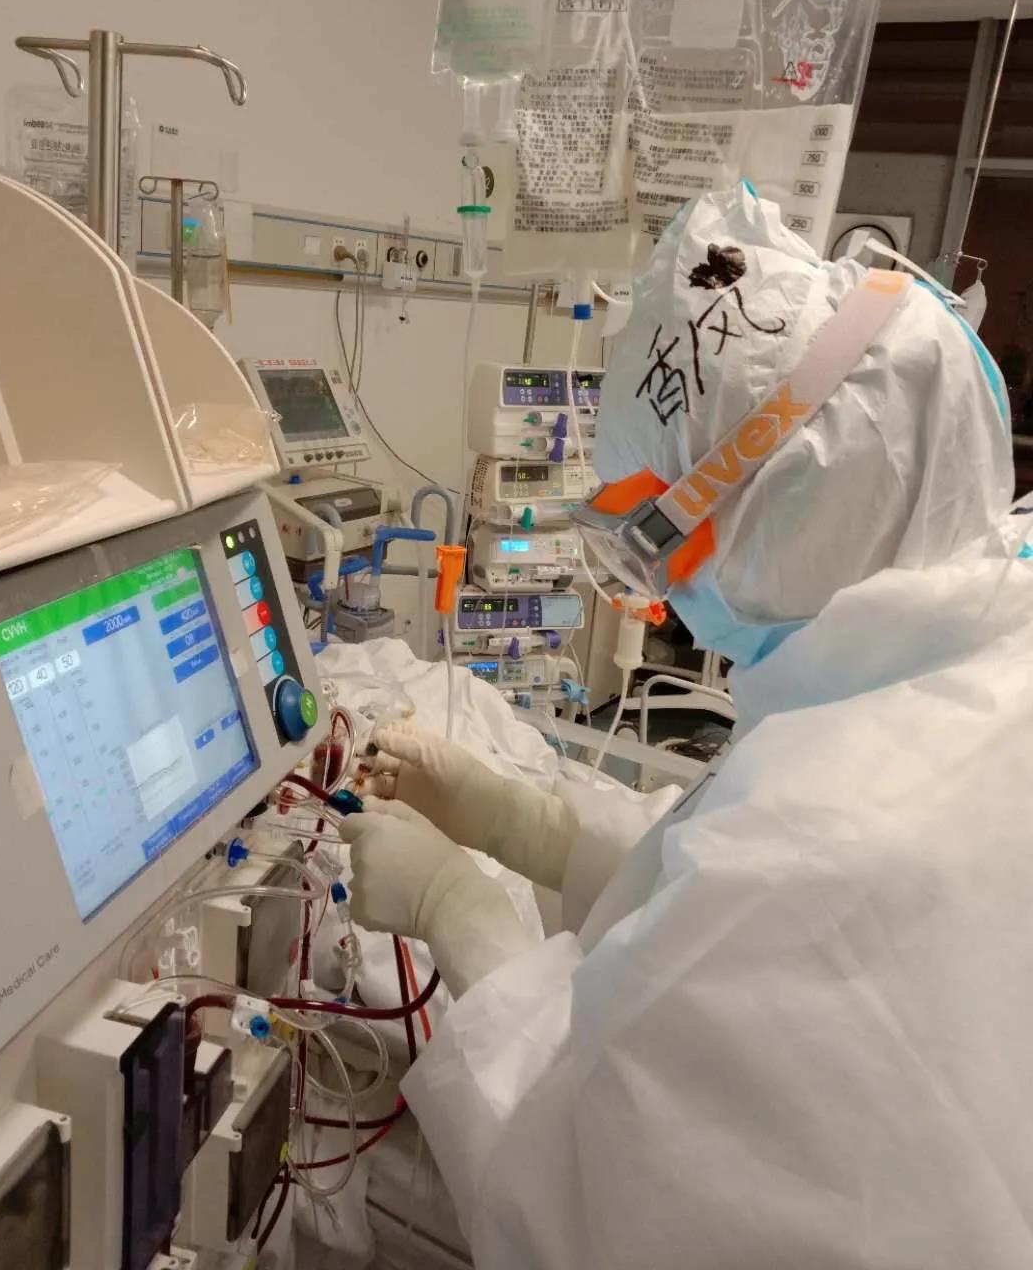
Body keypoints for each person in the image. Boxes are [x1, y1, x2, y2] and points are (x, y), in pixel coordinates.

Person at [340, 184, 1033, 1269]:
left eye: (650, 543)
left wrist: (459, 913)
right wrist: (533, 829)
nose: (658, 595)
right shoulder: (970, 651)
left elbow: (580, 1208)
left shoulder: (817, 848)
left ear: (785, 516)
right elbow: (731, 889)